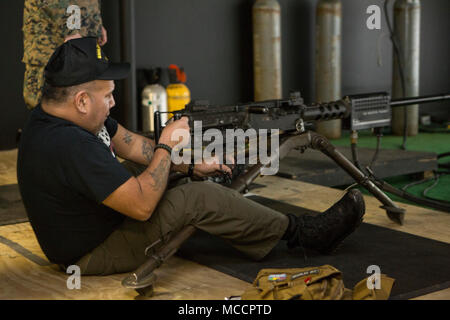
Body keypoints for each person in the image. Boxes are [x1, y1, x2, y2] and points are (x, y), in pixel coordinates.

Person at [17, 38, 366, 275]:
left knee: (172, 173)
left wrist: (190, 164)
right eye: (107, 95)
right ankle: (303, 233)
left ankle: (232, 215)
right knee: (195, 197)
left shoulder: (61, 117)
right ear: (81, 101)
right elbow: (140, 206)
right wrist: (169, 146)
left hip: (101, 220)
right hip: (91, 253)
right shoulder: (66, 144)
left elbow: (133, 146)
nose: (113, 102)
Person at [22, 0, 107, 109]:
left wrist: (95, 24)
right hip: (53, 48)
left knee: (80, 106)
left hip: (79, 43)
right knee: (48, 105)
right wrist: (71, 30)